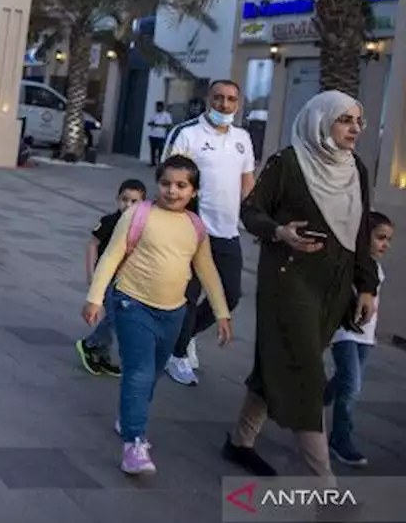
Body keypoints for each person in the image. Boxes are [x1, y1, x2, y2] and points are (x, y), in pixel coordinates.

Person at [224, 90, 380, 480]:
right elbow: (249, 210)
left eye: (358, 121)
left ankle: (240, 443)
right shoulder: (289, 162)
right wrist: (279, 231)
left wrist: (366, 286)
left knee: (278, 361)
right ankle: (325, 483)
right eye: (346, 120)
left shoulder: (356, 168)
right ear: (321, 120)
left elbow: (360, 232)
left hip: (333, 287)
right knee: (307, 374)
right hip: (289, 280)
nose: (355, 128)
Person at [84, 155, 232, 475]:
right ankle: (134, 443)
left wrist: (221, 313)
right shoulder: (138, 214)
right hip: (131, 304)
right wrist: (95, 298)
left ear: (193, 191)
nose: (172, 191)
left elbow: (207, 270)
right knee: (138, 371)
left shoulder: (195, 226)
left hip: (173, 313)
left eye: (181, 186)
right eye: (166, 183)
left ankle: (129, 415)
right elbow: (111, 256)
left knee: (152, 374)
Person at [161, 80, 255, 386]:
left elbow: (247, 184)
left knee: (229, 296)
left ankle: (183, 337)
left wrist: (255, 220)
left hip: (228, 234)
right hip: (193, 230)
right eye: (218, 98)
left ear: (238, 104)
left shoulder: (243, 138)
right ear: (207, 100)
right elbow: (168, 180)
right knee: (189, 296)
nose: (224, 105)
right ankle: (176, 355)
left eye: (230, 99)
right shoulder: (187, 133)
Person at [324, 211, 392, 467]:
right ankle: (340, 440)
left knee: (343, 380)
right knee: (352, 386)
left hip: (366, 335)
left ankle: (308, 405)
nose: (385, 244)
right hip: (345, 332)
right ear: (365, 237)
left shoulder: (376, 266)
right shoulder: (352, 264)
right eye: (380, 238)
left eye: (388, 239)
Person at [75, 178, 148, 378]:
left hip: (127, 281)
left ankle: (102, 354)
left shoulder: (143, 226)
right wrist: (91, 276)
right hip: (107, 278)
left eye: (135, 202)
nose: (128, 205)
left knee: (118, 318)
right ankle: (90, 344)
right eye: (124, 200)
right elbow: (92, 245)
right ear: (117, 199)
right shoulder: (110, 221)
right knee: (116, 318)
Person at [146, 101, 173, 167]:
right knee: (153, 150)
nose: (157, 108)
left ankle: (160, 164)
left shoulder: (166, 115)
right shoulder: (154, 114)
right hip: (153, 134)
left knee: (161, 150)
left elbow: (169, 125)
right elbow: (149, 123)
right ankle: (153, 162)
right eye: (156, 107)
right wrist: (153, 124)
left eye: (158, 107)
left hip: (161, 135)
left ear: (162, 107)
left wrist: (158, 125)